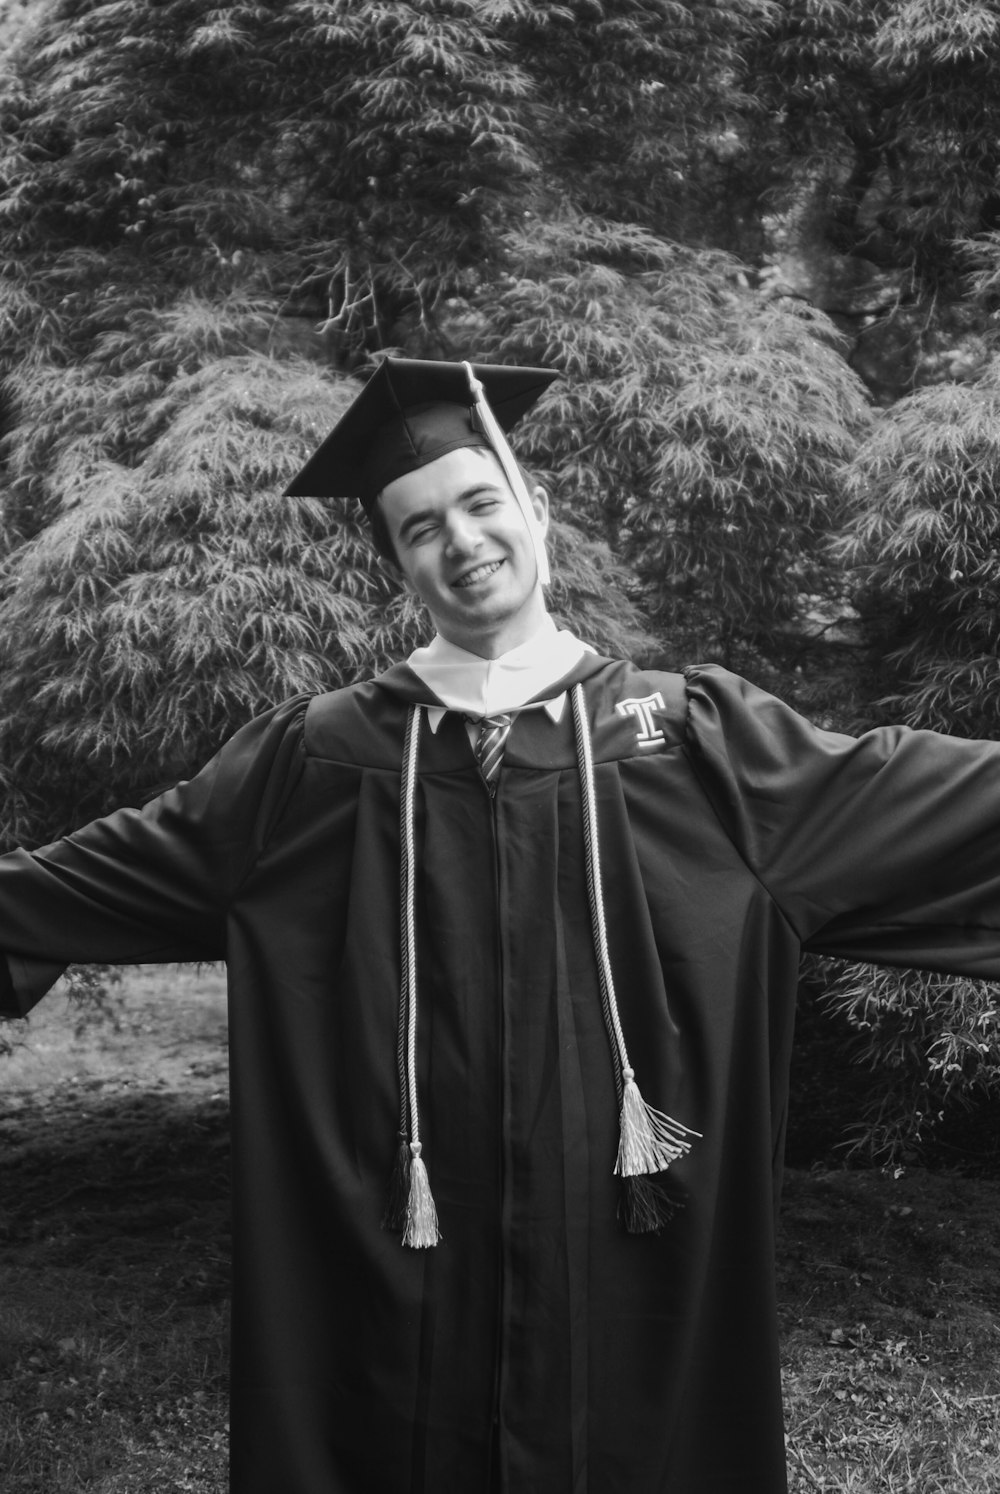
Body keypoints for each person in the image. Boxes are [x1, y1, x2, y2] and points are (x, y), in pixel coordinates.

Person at [3, 355, 1000, 1494]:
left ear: (536, 510)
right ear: (397, 562)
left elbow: (935, 802)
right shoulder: (315, 762)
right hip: (393, 1285)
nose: (461, 540)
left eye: (482, 503)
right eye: (420, 526)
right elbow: (78, 880)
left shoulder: (699, 746)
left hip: (631, 1285)